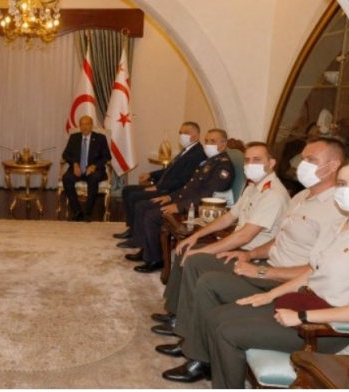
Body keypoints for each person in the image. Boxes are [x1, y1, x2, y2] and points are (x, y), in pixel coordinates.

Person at [163, 156, 349, 388]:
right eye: (342, 184)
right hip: (304, 301)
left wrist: (302, 317)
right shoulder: (338, 226)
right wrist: (270, 295)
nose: (347, 190)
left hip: (327, 328)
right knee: (216, 317)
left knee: (226, 330)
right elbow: (312, 272)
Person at [153, 137, 347, 361]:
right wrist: (248, 254)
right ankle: (180, 321)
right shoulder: (301, 196)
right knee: (194, 258)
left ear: (333, 166)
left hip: (282, 277)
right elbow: (276, 238)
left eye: (311, 160)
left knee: (205, 274)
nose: (302, 165)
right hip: (264, 260)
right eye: (303, 159)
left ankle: (196, 351)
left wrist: (259, 268)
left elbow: (316, 270)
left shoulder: (334, 210)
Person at [153, 142, 290, 332]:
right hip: (240, 248)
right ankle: (175, 311)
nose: (250, 164)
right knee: (186, 247)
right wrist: (196, 236)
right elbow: (229, 217)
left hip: (253, 256)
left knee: (195, 259)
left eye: (257, 160)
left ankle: (183, 326)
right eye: (247, 160)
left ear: (271, 163)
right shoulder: (253, 187)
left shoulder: (273, 194)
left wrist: (202, 251)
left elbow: (245, 236)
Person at [127, 129, 235, 273]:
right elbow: (188, 187)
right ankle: (147, 250)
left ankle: (155, 259)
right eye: (206, 140)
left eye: (213, 141)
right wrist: (169, 197)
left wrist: (179, 206)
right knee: (145, 206)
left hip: (196, 208)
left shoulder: (223, 167)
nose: (208, 144)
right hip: (184, 200)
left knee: (152, 216)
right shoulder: (209, 162)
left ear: (223, 144)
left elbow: (208, 195)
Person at [114, 122, 206, 246]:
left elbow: (183, 181)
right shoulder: (186, 150)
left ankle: (137, 240)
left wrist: (158, 187)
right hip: (164, 186)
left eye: (186, 133)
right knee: (127, 190)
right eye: (180, 132)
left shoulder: (197, 154)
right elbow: (168, 170)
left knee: (135, 197)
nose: (182, 135)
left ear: (196, 136)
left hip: (171, 191)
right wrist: (150, 174)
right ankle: (133, 229)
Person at [61, 115, 112, 221]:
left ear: (92, 125)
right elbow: (65, 154)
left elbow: (107, 156)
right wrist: (75, 164)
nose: (84, 127)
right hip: (78, 169)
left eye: (87, 124)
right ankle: (77, 211)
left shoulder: (100, 138)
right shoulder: (74, 137)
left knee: (93, 179)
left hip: (94, 170)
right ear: (79, 126)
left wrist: (94, 166)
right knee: (66, 178)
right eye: (82, 124)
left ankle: (88, 213)